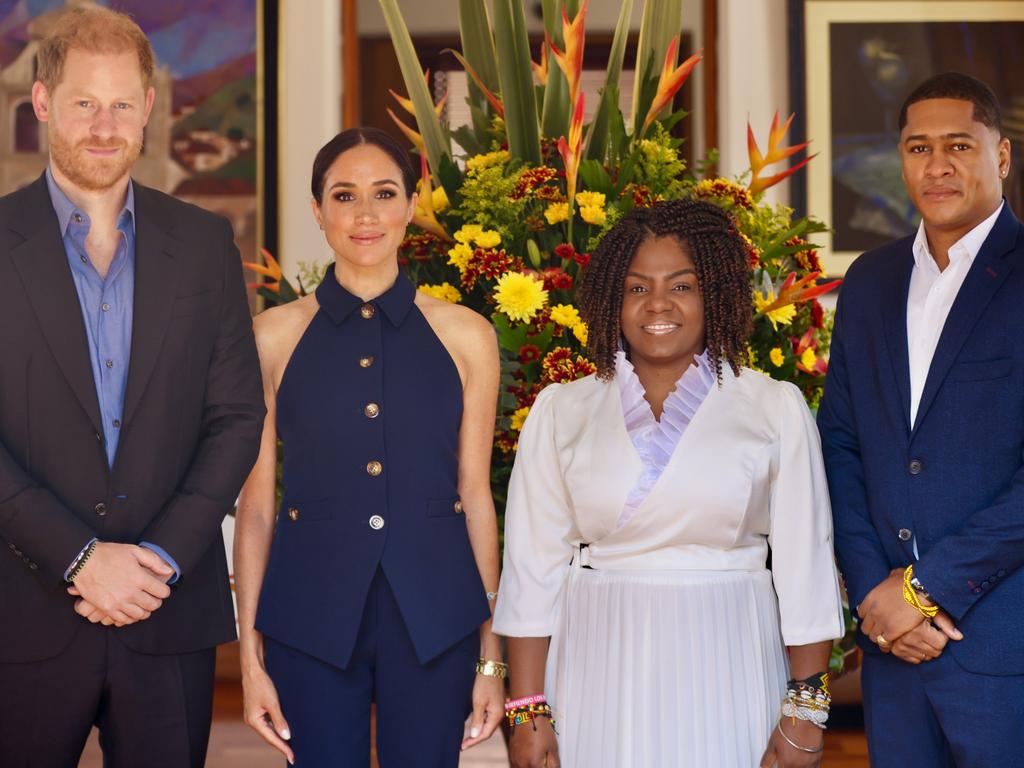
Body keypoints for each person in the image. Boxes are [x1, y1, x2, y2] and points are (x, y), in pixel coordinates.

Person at [0, 6, 265, 766]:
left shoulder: (207, 243)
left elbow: (238, 416)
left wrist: (156, 562)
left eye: (122, 104)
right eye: (84, 103)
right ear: (44, 103)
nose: (105, 125)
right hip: (22, 616)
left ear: (149, 107)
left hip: (166, 616)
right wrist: (82, 558)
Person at [493, 199, 845, 768]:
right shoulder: (562, 409)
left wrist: (805, 709)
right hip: (596, 658)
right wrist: (527, 708)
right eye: (636, 288)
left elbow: (806, 568)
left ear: (716, 295)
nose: (657, 304)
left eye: (681, 286)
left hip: (730, 649)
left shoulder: (772, 407)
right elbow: (532, 570)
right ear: (612, 299)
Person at [234, 127, 505, 766]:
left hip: (437, 617)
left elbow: (476, 496)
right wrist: (249, 658)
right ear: (317, 211)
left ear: (412, 205)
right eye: (343, 195)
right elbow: (256, 509)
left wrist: (491, 658)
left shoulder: (468, 336)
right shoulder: (270, 337)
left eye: (384, 193)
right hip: (309, 616)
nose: (364, 214)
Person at [818, 71, 1024, 766]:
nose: (937, 165)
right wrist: (878, 597)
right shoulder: (870, 283)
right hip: (892, 656)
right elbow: (841, 445)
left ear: (1001, 155)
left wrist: (922, 590)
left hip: (1001, 652)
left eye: (960, 145)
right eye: (918, 147)